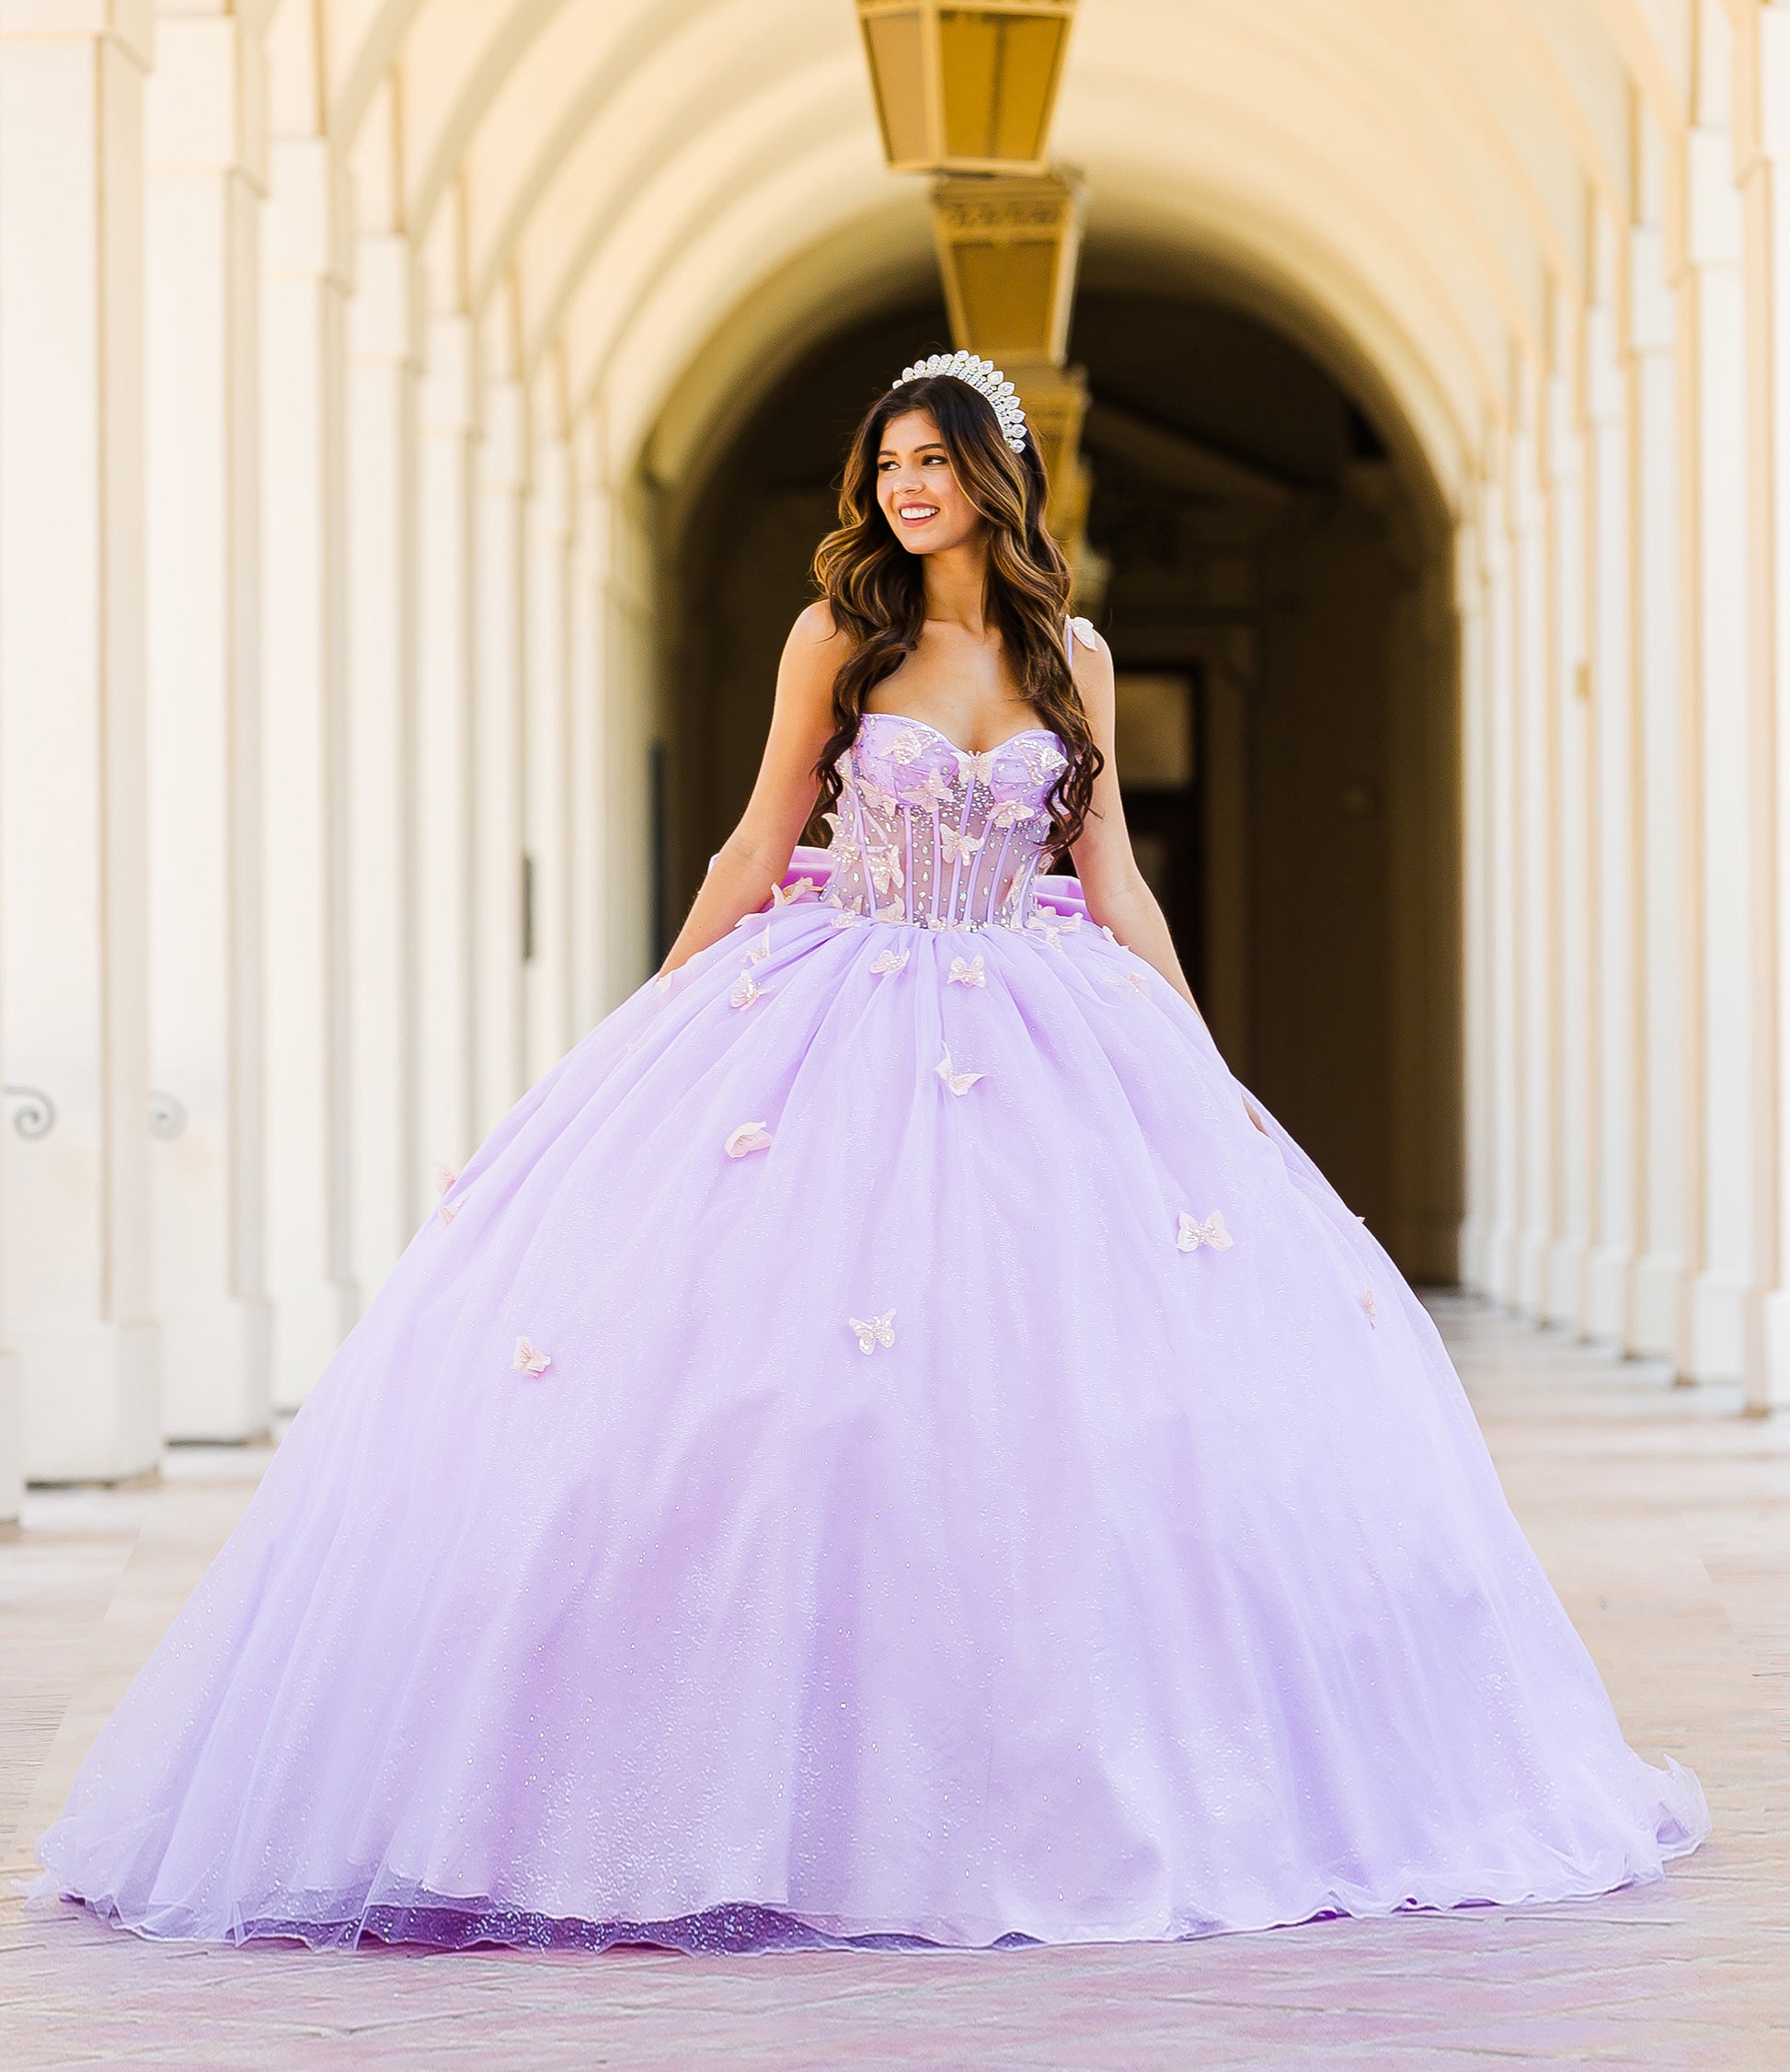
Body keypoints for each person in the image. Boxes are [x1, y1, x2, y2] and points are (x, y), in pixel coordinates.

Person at [36, 350, 1705, 1952]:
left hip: (1044, 1018)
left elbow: (1113, 876)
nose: (905, 489)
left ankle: (1060, 1787)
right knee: (807, 1389)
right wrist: (646, 1031)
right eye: (887, 467)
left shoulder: (1079, 661)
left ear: (996, 483)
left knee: (1082, 1399)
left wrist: (1200, 1069)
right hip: (839, 1010)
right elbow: (763, 842)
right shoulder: (837, 637)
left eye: (931, 464)